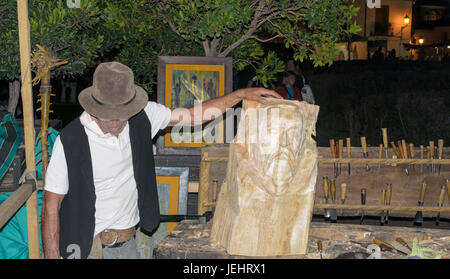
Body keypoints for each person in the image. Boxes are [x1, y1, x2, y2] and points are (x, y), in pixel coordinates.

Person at [41, 61, 282, 259]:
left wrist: (240, 95)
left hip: (126, 246)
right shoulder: (70, 140)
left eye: (121, 115)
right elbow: (51, 206)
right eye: (108, 116)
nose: (115, 122)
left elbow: (193, 116)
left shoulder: (143, 116)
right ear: (93, 108)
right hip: (83, 249)